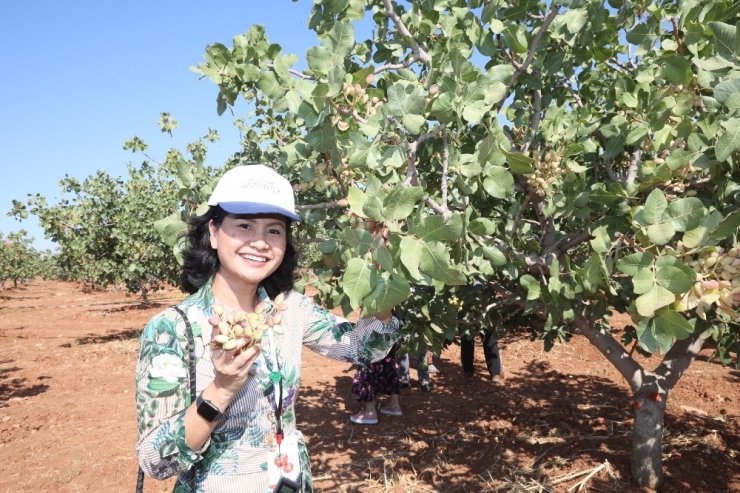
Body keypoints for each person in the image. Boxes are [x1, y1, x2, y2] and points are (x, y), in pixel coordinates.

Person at [135, 164, 400, 493]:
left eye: (274, 230)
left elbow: (364, 348)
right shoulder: (172, 328)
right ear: (214, 232)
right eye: (245, 225)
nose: (260, 242)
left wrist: (381, 284)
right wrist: (221, 389)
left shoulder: (290, 310)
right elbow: (156, 461)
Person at [349, 341, 402, 424]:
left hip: (371, 333)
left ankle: (370, 412)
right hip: (390, 332)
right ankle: (394, 405)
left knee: (367, 366)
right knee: (388, 363)